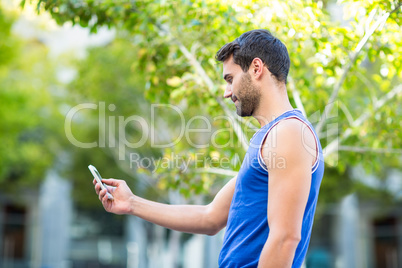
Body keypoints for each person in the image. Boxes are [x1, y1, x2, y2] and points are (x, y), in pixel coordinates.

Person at [94, 29, 324, 267]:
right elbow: (210, 217)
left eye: (230, 79)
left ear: (256, 68)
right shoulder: (271, 137)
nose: (227, 92)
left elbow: (285, 238)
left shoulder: (288, 133)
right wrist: (132, 203)